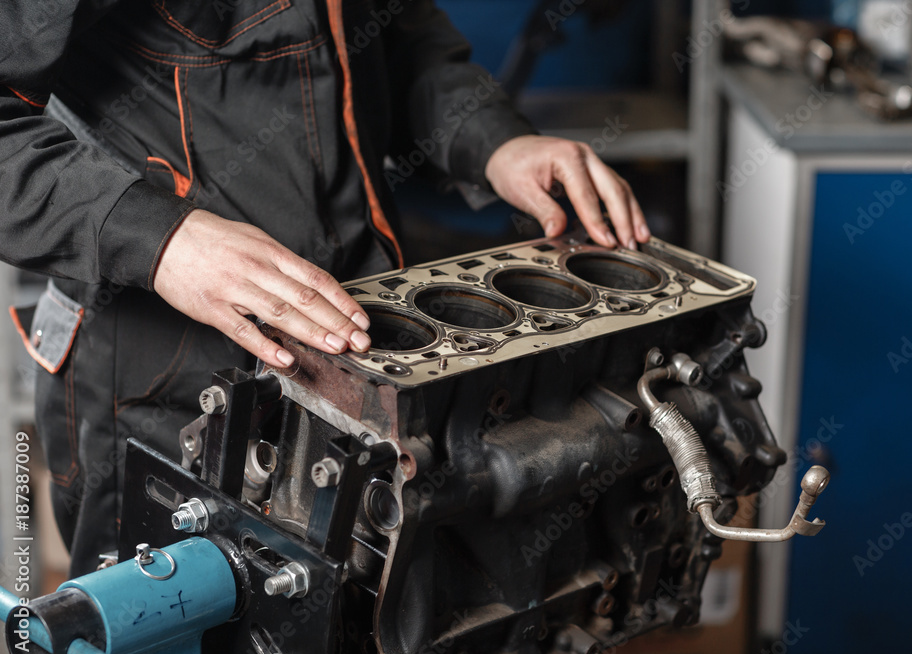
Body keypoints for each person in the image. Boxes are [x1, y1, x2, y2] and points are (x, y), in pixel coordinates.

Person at [0, 0, 649, 576]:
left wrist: (495, 141)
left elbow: (399, 40)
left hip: (362, 346)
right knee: (170, 626)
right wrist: (160, 238)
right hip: (164, 383)